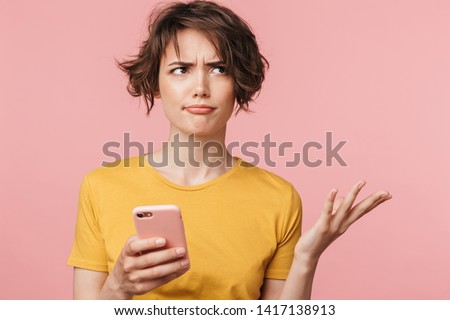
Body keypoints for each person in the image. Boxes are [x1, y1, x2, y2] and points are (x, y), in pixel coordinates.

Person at [67, 0, 392, 299]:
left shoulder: (278, 198)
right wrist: (117, 289)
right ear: (155, 81)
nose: (200, 88)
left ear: (238, 83)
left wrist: (306, 258)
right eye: (181, 69)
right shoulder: (101, 187)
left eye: (219, 69)